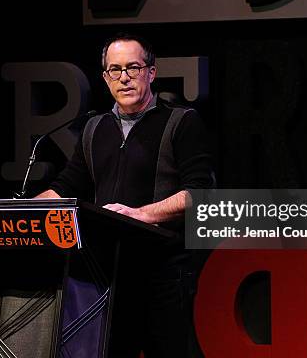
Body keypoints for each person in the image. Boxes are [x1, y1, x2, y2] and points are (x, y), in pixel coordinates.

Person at [36, 33, 215, 357]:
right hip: (108, 276)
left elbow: (200, 193)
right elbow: (66, 186)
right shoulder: (94, 127)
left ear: (151, 71)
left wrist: (142, 213)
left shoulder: (180, 122)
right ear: (105, 77)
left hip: (164, 273)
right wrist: (25, 211)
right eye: (115, 70)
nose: (124, 77)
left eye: (133, 67)